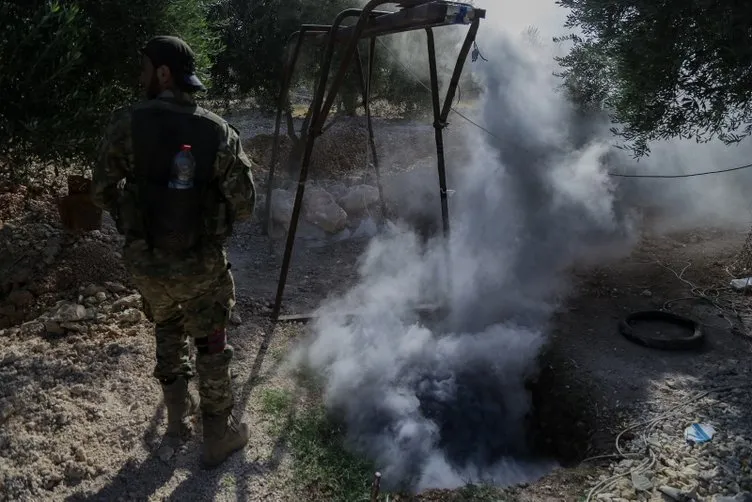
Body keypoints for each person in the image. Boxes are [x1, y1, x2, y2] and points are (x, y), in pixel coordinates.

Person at [91, 35, 256, 469]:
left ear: (164, 73)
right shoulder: (216, 130)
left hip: (147, 264)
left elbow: (100, 191)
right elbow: (245, 204)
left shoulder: (126, 124)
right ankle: (217, 436)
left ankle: (177, 424)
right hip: (202, 266)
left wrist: (134, 221)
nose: (139, 77)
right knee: (212, 341)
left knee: (167, 327)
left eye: (144, 69)